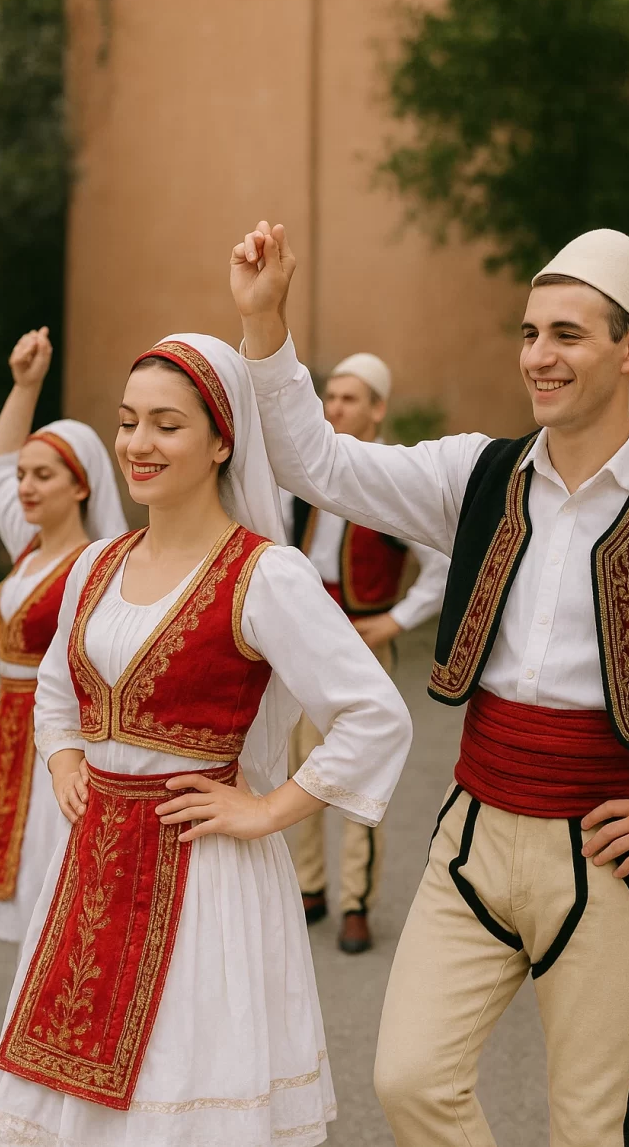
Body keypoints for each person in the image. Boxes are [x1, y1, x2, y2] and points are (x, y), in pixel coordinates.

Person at [230, 221, 629, 1147]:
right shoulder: (475, 472)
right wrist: (268, 325)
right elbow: (317, 460)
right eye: (529, 333)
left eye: (567, 334)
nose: (539, 357)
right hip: (471, 835)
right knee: (407, 1081)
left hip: (607, 858)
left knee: (590, 1131)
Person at [0, 332, 412, 1147]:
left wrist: (271, 809)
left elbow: (372, 712)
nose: (139, 444)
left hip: (203, 878)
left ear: (222, 440)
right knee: (74, 1107)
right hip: (91, 873)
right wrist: (65, 754)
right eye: (127, 421)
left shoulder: (264, 575)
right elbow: (54, 687)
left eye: (167, 425)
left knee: (179, 1097)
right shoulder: (96, 565)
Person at [282, 351, 448, 953]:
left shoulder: (389, 484)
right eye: (331, 398)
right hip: (304, 644)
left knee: (360, 773)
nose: (335, 408)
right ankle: (310, 886)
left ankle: (356, 899)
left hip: (358, 645)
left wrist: (393, 621)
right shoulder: (300, 481)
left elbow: (441, 566)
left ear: (377, 410)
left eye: (350, 398)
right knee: (301, 765)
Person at [0, 327, 127, 943]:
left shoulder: (98, 565)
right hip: (4, 726)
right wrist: (27, 385)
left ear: (81, 484)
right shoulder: (30, 546)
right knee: (11, 881)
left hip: (56, 738)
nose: (26, 487)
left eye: (43, 475)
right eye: (25, 476)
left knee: (50, 887)